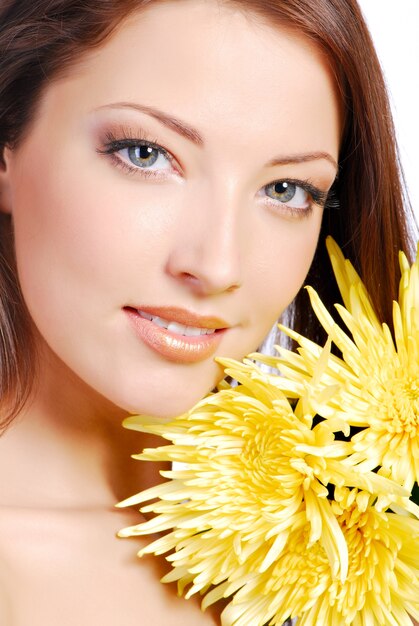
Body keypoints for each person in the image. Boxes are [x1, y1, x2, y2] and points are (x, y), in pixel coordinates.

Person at [0, 0, 414, 624]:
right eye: (145, 153)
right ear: (8, 147)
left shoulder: (365, 539)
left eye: (285, 190)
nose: (218, 266)